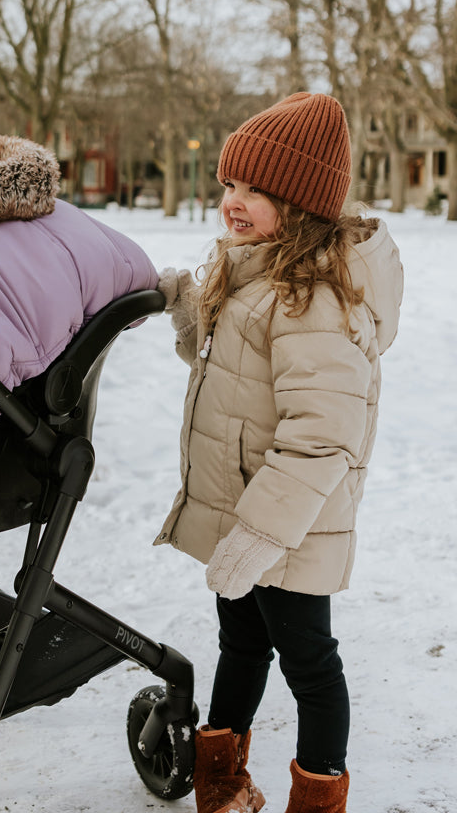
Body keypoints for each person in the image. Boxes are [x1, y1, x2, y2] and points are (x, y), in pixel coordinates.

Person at [155, 92, 403, 813]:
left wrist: (261, 535)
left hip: (288, 526)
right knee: (240, 645)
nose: (234, 201)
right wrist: (189, 316)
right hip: (247, 513)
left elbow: (322, 437)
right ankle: (222, 784)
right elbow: (237, 377)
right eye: (230, 182)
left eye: (256, 190)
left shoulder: (316, 298)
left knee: (311, 665)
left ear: (300, 206)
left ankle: (318, 798)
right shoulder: (259, 272)